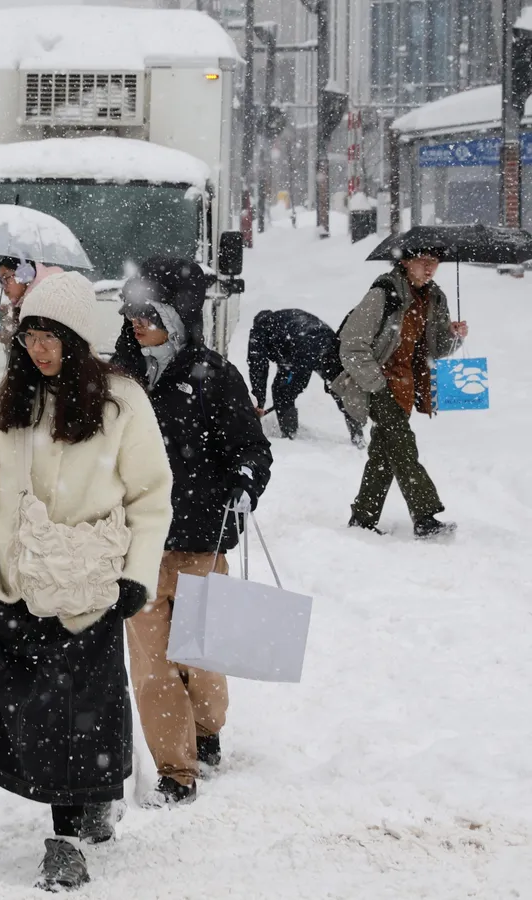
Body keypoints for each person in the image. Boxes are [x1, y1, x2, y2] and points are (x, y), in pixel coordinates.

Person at [0, 271, 174, 891]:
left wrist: (135, 576)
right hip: (11, 582)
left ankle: (65, 837)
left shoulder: (121, 402)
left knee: (75, 716)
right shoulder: (4, 397)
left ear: (79, 338)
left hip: (86, 588)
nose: (40, 348)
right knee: (24, 716)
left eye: (53, 336)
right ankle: (93, 793)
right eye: (32, 334)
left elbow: (152, 498)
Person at [112, 268, 273, 806]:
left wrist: (244, 483)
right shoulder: (118, 381)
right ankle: (175, 770)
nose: (136, 326)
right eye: (131, 316)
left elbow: (252, 449)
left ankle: (206, 730)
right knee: (152, 664)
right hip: (137, 546)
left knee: (201, 656)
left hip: (202, 541)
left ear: (176, 323)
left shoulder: (215, 376)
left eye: (148, 317)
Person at [332, 245, 468, 539]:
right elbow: (352, 345)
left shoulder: (434, 298)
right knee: (404, 448)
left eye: (435, 261)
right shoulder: (384, 293)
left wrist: (453, 336)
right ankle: (425, 516)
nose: (430, 267)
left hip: (406, 387)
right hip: (380, 385)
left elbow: (436, 348)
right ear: (406, 262)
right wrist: (377, 383)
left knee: (384, 453)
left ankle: (363, 519)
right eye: (423, 261)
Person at [247, 308, 365, 446]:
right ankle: (357, 435)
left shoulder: (260, 329)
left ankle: (289, 436)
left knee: (282, 392)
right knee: (339, 387)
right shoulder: (287, 316)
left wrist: (258, 403)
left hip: (302, 348)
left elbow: (258, 366)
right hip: (328, 342)